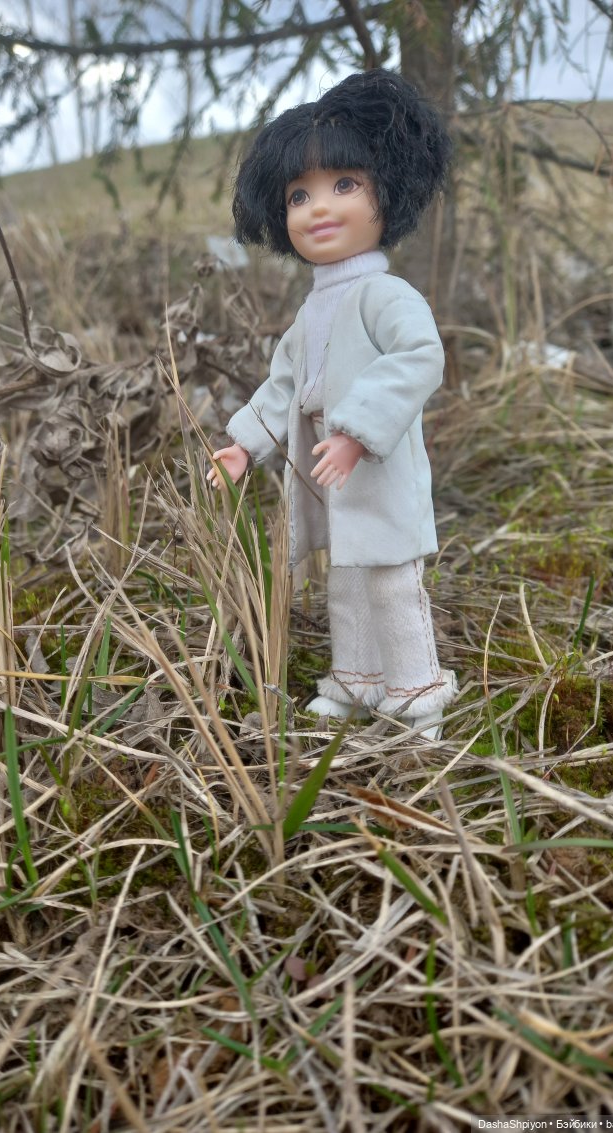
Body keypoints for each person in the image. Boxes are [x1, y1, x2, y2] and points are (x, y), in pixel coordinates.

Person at [206, 69, 456, 738]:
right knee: (342, 578)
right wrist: (245, 443)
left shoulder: (385, 295)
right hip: (325, 467)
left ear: (386, 196)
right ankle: (357, 678)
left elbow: (421, 357)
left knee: (389, 581)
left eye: (344, 185)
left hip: (371, 460)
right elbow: (285, 384)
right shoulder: (313, 307)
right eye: (299, 194)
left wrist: (354, 429)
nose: (320, 207)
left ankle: (416, 693)